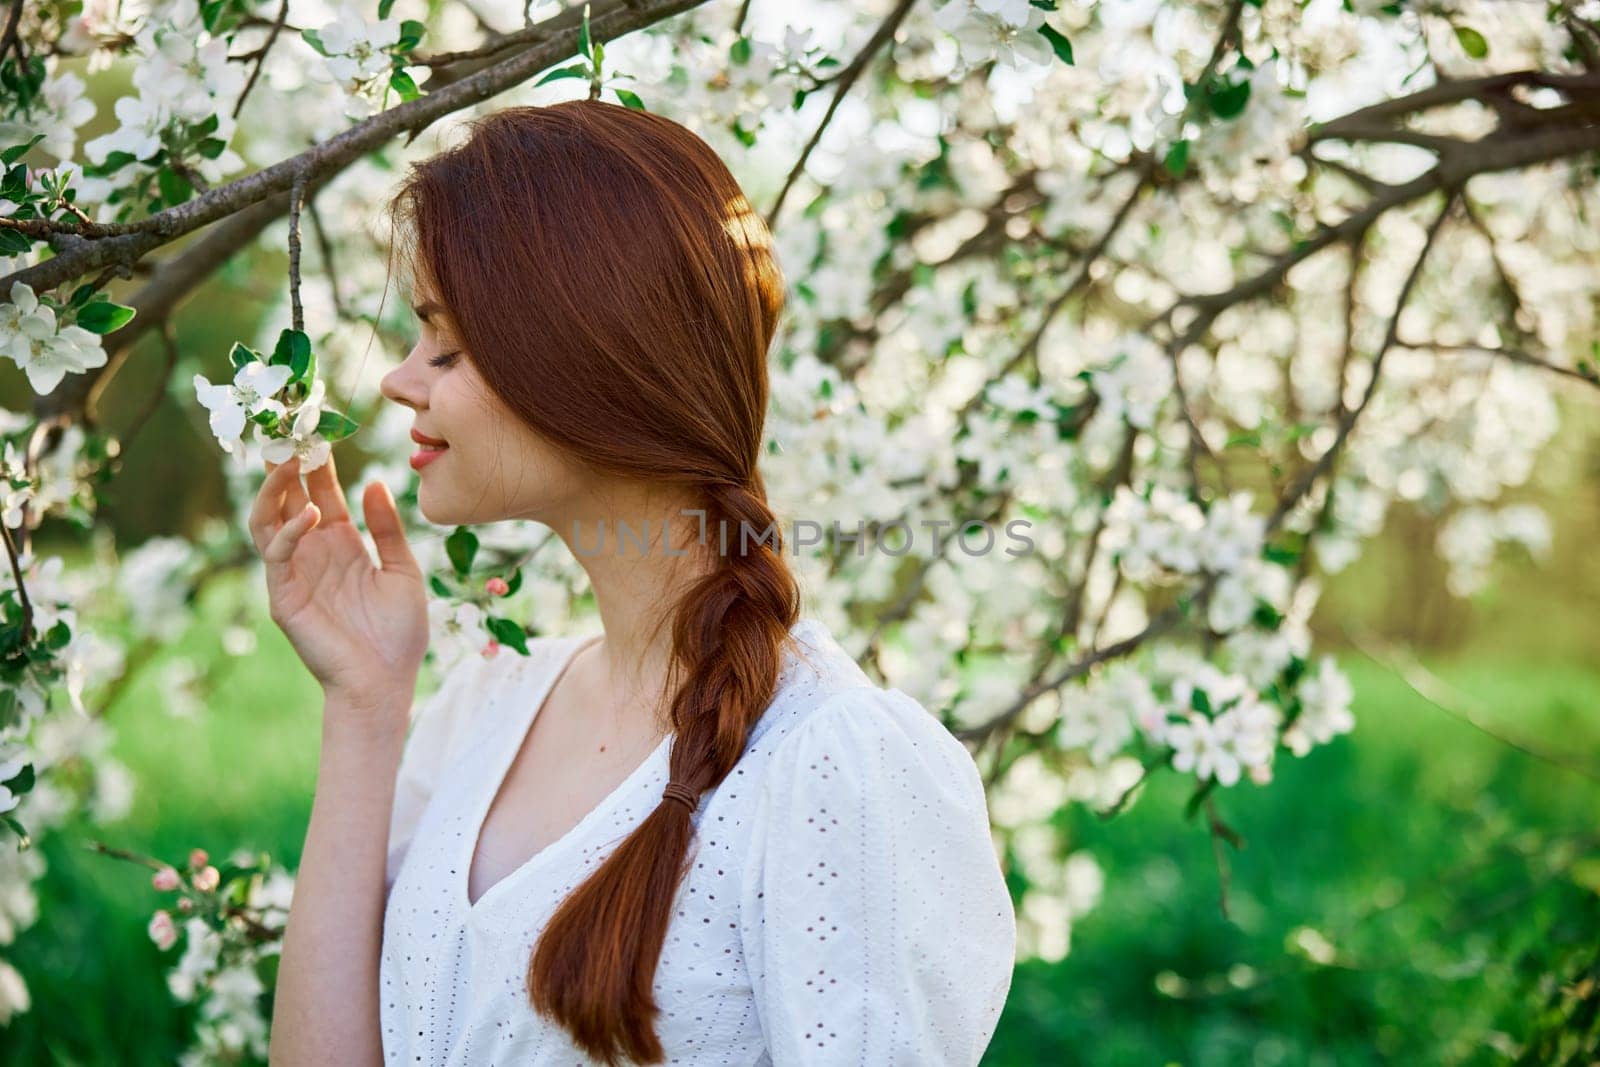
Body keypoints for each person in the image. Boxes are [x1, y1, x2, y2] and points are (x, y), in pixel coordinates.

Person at [252, 99, 1015, 1067]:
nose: (400, 381)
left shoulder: (828, 769)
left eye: (444, 345)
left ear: (583, 361)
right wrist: (363, 702)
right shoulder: (484, 706)